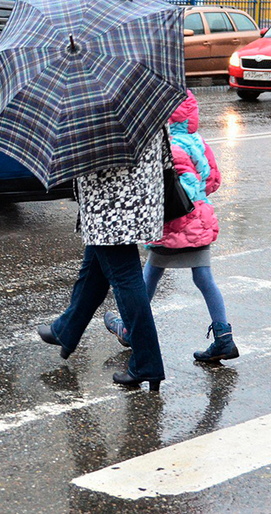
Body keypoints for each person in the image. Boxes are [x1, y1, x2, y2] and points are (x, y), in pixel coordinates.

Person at [103, 91, 238, 363]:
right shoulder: (197, 141)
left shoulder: (168, 145)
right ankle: (224, 337)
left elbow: (167, 188)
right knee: (203, 279)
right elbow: (212, 180)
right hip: (199, 222)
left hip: (173, 225)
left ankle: (130, 330)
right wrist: (197, 196)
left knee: (149, 276)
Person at [37, 135, 167, 392]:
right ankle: (67, 329)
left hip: (111, 206)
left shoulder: (98, 106)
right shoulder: (139, 100)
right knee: (93, 271)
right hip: (133, 199)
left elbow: (90, 153)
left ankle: (147, 363)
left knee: (126, 278)